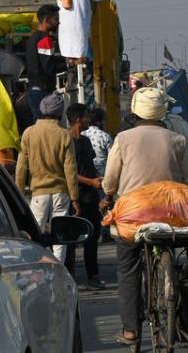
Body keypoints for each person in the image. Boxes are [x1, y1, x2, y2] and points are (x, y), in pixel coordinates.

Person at [100, 87, 188, 347]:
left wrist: (108, 195)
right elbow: (187, 179)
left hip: (133, 216)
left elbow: (110, 180)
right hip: (169, 215)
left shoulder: (124, 138)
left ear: (135, 110)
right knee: (182, 259)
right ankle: (182, 321)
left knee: (128, 268)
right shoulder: (178, 139)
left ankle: (130, 329)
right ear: (162, 110)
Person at [15, 92, 79, 262]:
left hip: (38, 194)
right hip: (61, 193)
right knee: (60, 238)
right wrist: (74, 198)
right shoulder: (64, 134)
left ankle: (38, 268)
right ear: (60, 112)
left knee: (35, 235)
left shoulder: (29, 133)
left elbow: (21, 166)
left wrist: (18, 192)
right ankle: (59, 269)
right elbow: (70, 168)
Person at [63, 103, 106, 290]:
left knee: (92, 236)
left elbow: (89, 164)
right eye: (87, 117)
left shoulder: (85, 141)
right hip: (76, 196)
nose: (90, 120)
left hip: (91, 196)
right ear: (79, 119)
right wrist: (90, 182)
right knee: (71, 239)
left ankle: (93, 275)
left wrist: (98, 181)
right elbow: (68, 172)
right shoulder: (66, 141)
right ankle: (69, 277)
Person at [24, 4, 63, 118]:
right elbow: (48, 67)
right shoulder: (45, 40)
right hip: (42, 91)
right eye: (56, 19)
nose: (58, 23)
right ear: (47, 20)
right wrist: (69, 64)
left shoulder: (31, 39)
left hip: (33, 88)